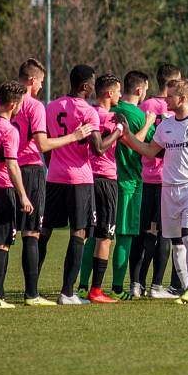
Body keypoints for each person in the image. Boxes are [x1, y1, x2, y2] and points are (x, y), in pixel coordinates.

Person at [0, 58, 92, 307]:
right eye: (42, 82)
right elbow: (44, 145)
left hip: (2, 173)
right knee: (31, 233)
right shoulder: (34, 106)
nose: (42, 87)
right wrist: (74, 136)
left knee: (1, 237)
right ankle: (31, 294)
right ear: (32, 81)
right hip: (30, 170)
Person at [121, 79, 188, 304]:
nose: (165, 99)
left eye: (169, 97)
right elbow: (149, 151)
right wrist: (127, 137)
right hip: (169, 190)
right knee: (176, 241)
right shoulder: (165, 125)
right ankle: (184, 288)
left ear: (183, 98)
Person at [40, 64, 124, 305]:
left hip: (54, 176)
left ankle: (31, 291)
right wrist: (118, 131)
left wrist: (54, 164)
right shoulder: (88, 112)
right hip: (79, 178)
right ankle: (67, 292)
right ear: (86, 86)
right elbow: (98, 149)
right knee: (79, 232)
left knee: (44, 233)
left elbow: (46, 143)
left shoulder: (52, 106)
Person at [0, 81, 33, 308]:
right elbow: (11, 165)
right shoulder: (9, 130)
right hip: (1, 190)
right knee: (2, 244)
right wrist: (23, 195)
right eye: (19, 104)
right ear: (12, 104)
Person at [130, 64, 179, 299]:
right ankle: (157, 287)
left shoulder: (145, 106)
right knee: (164, 234)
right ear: (171, 84)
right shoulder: (175, 109)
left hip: (144, 178)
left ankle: (136, 284)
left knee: (142, 233)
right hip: (165, 180)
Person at [76, 74, 122, 303]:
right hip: (105, 180)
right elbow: (133, 142)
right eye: (118, 91)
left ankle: (74, 287)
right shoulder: (111, 118)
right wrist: (122, 128)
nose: (121, 96)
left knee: (82, 234)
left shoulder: (88, 114)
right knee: (105, 237)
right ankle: (96, 289)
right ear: (109, 93)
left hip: (86, 178)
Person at [109, 70, 155, 299]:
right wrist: (150, 123)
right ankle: (118, 287)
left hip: (104, 180)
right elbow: (155, 146)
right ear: (139, 90)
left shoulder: (109, 109)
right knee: (124, 236)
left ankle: (84, 285)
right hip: (129, 182)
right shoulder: (137, 115)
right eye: (145, 89)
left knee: (97, 235)